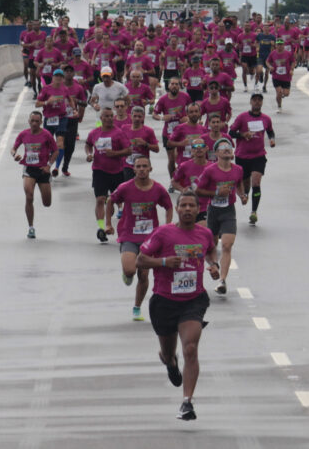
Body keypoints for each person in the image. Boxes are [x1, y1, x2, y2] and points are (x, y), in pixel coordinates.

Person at [136, 190, 220, 421]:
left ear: (197, 208)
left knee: (190, 348)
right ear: (178, 208)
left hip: (193, 300)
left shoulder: (205, 233)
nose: (188, 210)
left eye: (192, 206)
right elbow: (140, 260)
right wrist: (163, 261)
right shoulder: (163, 233)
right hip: (164, 301)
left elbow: (211, 249)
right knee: (167, 352)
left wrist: (214, 265)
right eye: (183, 205)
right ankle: (171, 362)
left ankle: (186, 403)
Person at [106, 156, 173, 321]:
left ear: (150, 169)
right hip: (129, 235)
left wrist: (167, 227)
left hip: (150, 239)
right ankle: (127, 274)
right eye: (139, 166)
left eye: (145, 166)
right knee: (130, 270)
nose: (142, 169)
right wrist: (108, 223)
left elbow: (169, 206)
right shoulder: (125, 188)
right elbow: (110, 201)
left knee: (143, 276)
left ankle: (137, 307)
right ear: (133, 169)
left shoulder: (158, 189)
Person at [194, 140, 246, 295]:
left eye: (229, 147)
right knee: (211, 246)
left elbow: (239, 184)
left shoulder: (238, 169)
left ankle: (222, 280)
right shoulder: (210, 171)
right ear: (216, 153)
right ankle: (213, 266)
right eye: (222, 148)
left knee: (227, 246)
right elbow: (198, 191)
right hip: (213, 211)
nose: (226, 150)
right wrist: (216, 193)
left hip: (229, 211)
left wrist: (242, 195)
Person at [86, 107, 132, 243]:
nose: (110, 118)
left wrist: (115, 154)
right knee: (100, 200)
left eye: (111, 116)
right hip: (99, 171)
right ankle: (101, 228)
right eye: (106, 116)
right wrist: (89, 154)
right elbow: (88, 144)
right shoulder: (94, 133)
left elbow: (129, 150)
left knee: (116, 201)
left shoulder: (119, 133)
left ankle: (115, 225)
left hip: (117, 171)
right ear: (101, 118)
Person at [228, 93, 275, 226]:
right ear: (250, 102)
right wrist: (243, 135)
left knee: (256, 182)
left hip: (259, 156)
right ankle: (245, 194)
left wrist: (272, 140)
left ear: (262, 103)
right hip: (242, 156)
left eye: (259, 100)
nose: (257, 102)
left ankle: (254, 212)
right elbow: (231, 133)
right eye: (254, 100)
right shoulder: (242, 117)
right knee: (246, 184)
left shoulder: (266, 119)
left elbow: (271, 131)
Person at [11, 112, 58, 238]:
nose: (34, 123)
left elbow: (56, 151)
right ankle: (31, 227)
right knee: (29, 196)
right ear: (29, 121)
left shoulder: (46, 135)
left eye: (37, 121)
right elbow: (14, 148)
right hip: (29, 169)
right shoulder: (24, 134)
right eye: (32, 121)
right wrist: (15, 155)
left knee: (47, 203)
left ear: (41, 122)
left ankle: (46, 187)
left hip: (43, 170)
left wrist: (49, 165)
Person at [153, 77, 192, 189]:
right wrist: (161, 118)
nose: (174, 86)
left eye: (176, 84)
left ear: (179, 86)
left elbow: (193, 109)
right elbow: (155, 114)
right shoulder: (163, 99)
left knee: (183, 158)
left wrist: (187, 118)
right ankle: (173, 181)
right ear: (168, 86)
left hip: (183, 132)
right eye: (172, 84)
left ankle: (184, 180)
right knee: (172, 160)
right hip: (169, 134)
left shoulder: (185, 97)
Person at [35, 69, 75, 177]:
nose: (58, 78)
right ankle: (46, 165)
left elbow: (70, 99)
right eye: (56, 76)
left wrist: (73, 109)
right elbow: (37, 104)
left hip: (62, 118)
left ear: (62, 79)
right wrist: (47, 102)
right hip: (49, 119)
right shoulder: (46, 89)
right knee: (47, 145)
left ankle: (56, 167)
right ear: (52, 78)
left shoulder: (64, 89)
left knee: (60, 143)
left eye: (60, 76)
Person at [171, 138, 212, 225]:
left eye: (201, 146)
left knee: (204, 229)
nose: (199, 149)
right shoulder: (184, 166)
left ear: (206, 148)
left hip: (206, 207)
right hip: (189, 206)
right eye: (195, 147)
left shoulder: (212, 167)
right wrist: (182, 189)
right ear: (192, 150)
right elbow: (174, 181)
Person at [60, 65, 88, 176]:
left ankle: (65, 165)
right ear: (63, 73)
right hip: (60, 119)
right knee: (60, 143)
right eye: (66, 71)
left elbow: (84, 103)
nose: (69, 73)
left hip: (72, 119)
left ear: (73, 73)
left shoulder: (78, 88)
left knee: (70, 145)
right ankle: (56, 165)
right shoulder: (58, 86)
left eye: (71, 71)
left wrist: (80, 115)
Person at [122, 106, 160, 180]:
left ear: (143, 117)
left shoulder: (148, 131)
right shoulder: (124, 128)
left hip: (142, 166)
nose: (137, 119)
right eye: (135, 116)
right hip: (127, 164)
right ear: (131, 116)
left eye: (139, 116)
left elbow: (157, 149)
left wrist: (145, 144)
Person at [169, 103, 207, 167]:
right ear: (187, 114)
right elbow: (169, 143)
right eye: (191, 112)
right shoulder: (180, 128)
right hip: (183, 163)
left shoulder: (203, 129)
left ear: (199, 113)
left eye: (196, 111)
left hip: (199, 163)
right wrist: (181, 143)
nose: (194, 114)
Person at [265, 39, 296, 113]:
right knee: (278, 92)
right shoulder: (273, 53)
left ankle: (282, 94)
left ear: (283, 45)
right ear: (276, 45)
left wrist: (292, 69)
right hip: (276, 76)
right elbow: (267, 61)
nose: (279, 46)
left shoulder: (288, 53)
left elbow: (293, 62)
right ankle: (279, 106)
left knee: (286, 94)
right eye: (278, 44)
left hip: (286, 77)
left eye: (281, 44)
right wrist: (270, 67)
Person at [238, 22, 259, 92]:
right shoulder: (240, 36)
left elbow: (257, 44)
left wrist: (253, 45)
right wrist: (240, 55)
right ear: (243, 27)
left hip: (253, 55)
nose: (247, 27)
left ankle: (256, 84)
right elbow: (239, 46)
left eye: (248, 26)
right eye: (245, 26)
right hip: (244, 55)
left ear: (250, 27)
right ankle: (245, 86)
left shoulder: (254, 35)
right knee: (244, 69)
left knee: (254, 71)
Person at [256, 25, 276, 93]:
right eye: (265, 28)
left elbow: (276, 46)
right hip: (260, 55)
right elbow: (256, 42)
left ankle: (264, 86)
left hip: (268, 56)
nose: (266, 29)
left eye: (267, 28)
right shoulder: (259, 36)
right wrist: (257, 47)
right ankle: (261, 75)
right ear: (263, 29)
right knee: (259, 70)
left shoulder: (272, 37)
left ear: (269, 29)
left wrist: (273, 44)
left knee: (267, 73)